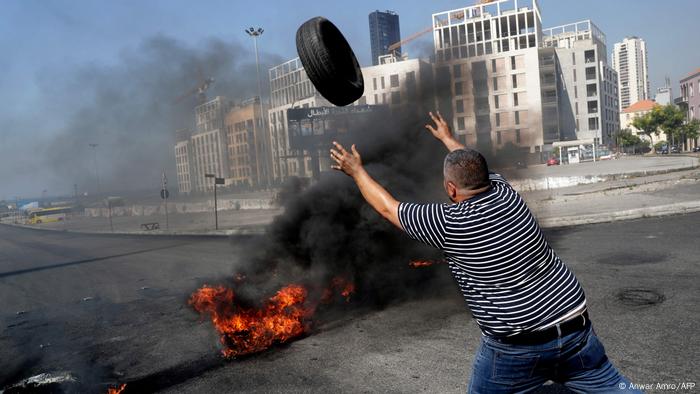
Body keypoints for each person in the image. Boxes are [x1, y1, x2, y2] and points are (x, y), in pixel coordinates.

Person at [329, 112, 639, 393]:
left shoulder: (449, 223)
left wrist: (356, 171)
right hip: (575, 326)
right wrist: (448, 139)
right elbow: (472, 167)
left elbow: (387, 208)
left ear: (451, 190)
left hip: (517, 346)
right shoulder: (506, 193)